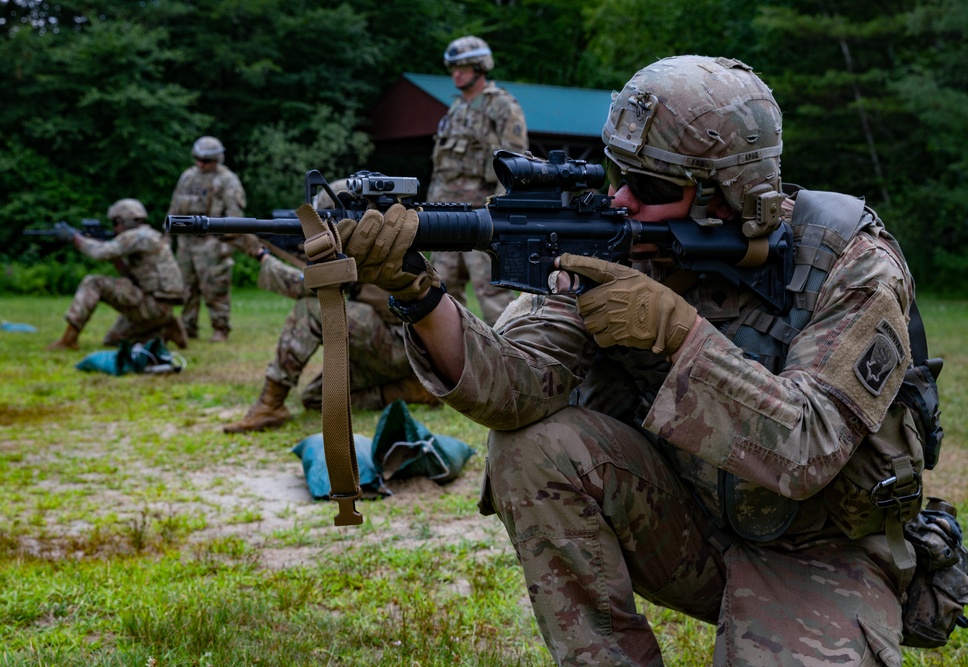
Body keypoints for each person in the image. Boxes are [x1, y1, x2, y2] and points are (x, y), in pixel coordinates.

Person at [332, 56, 923, 665]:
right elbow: (515, 387)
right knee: (535, 446)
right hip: (687, 526)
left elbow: (810, 446)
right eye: (620, 174)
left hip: (820, 551)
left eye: (653, 188)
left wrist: (678, 334)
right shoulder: (623, 245)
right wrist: (417, 292)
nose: (621, 199)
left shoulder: (848, 263)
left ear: (731, 194)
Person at [221, 188, 439, 434]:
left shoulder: (364, 246)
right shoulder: (376, 236)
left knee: (310, 309)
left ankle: (270, 404)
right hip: (395, 350)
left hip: (399, 345)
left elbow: (308, 286)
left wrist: (260, 254)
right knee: (315, 398)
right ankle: (408, 389)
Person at [426, 35, 528, 326]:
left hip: (481, 218)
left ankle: (513, 355)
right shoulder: (455, 111)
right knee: (441, 292)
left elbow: (515, 165)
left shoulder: (501, 106)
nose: (456, 73)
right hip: (445, 218)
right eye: (453, 67)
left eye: (463, 67)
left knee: (494, 296)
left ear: (480, 66)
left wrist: (499, 214)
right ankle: (456, 360)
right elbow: (440, 168)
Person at [47, 199, 187, 351]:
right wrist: (115, 257)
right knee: (113, 340)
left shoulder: (137, 236)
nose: (114, 229)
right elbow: (129, 275)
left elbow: (99, 253)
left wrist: (75, 237)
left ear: (123, 220)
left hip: (151, 305)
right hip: (158, 307)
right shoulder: (150, 236)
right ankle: (164, 330)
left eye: (115, 223)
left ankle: (69, 339)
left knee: (93, 282)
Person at [168, 135, 246, 342]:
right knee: (185, 287)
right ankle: (187, 326)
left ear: (217, 159)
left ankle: (220, 328)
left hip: (213, 242)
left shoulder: (228, 181)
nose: (201, 164)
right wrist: (167, 237)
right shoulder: (187, 177)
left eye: (206, 160)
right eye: (198, 159)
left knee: (215, 287)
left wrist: (228, 242)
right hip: (186, 243)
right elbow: (174, 208)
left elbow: (235, 217)